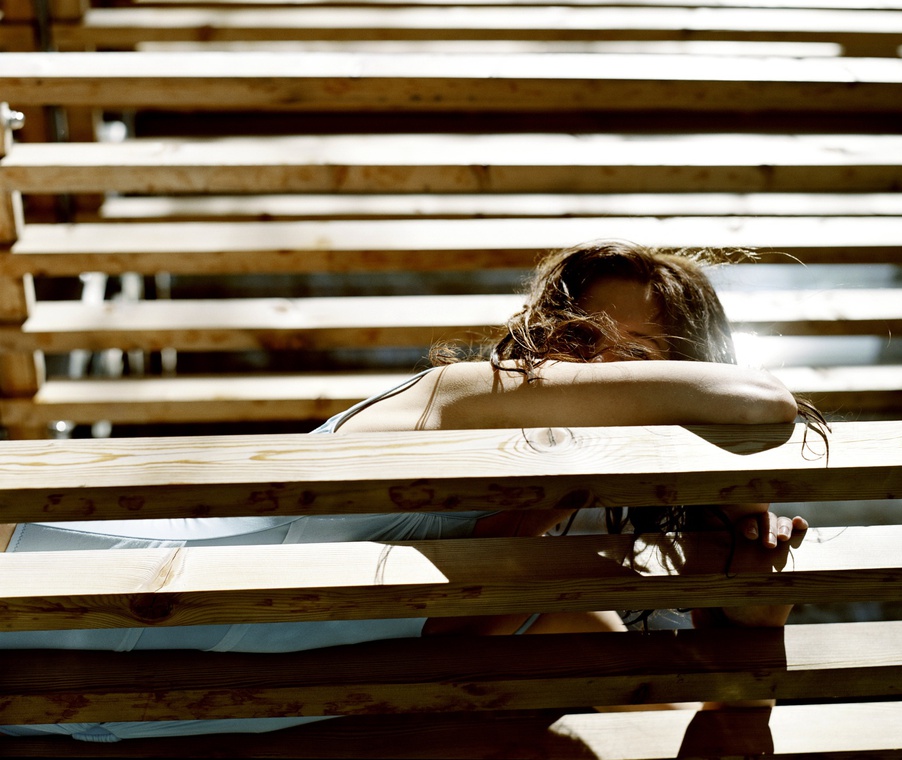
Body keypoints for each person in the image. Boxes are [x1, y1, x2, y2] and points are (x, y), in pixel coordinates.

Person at [0, 240, 813, 741]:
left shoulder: (554, 602)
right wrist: (732, 489)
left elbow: (687, 727)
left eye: (649, 352)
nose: (605, 369)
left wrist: (749, 612)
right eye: (582, 338)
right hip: (33, 570)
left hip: (55, 704)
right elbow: (761, 407)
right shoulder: (450, 397)